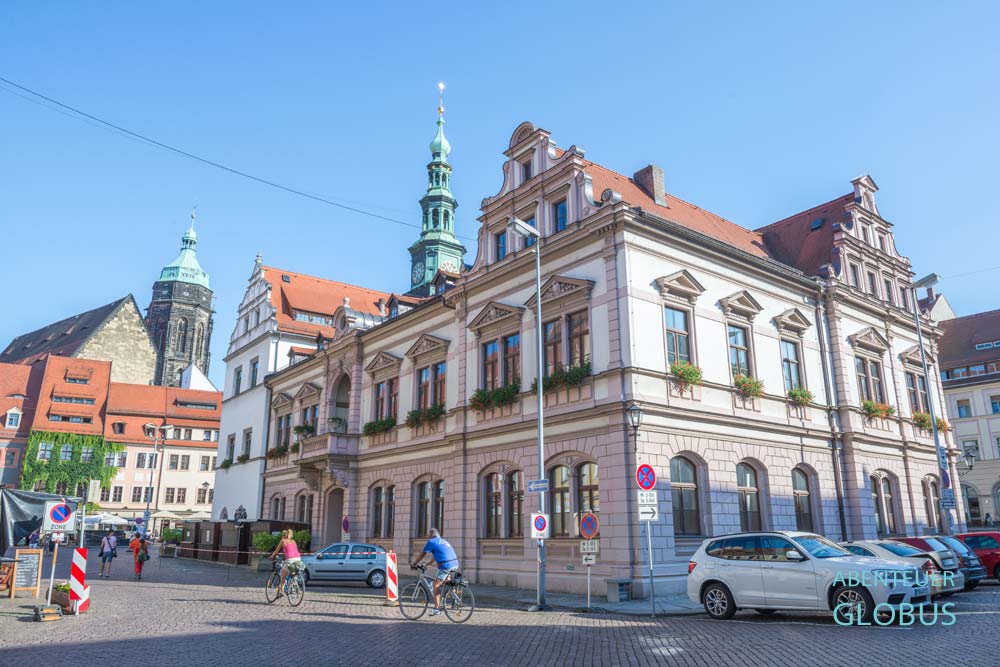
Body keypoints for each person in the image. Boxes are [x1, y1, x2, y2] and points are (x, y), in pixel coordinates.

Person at [411, 528, 459, 617]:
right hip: (454, 563)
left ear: (432, 535)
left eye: (428, 535)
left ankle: (436, 609)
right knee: (446, 582)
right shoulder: (443, 541)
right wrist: (429, 564)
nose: (428, 537)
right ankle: (454, 598)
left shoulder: (432, 541)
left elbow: (423, 554)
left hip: (446, 565)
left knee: (436, 585)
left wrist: (414, 563)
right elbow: (436, 555)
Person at [267, 530, 302, 598]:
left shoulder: (283, 541)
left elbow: (276, 551)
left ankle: (281, 591)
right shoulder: (293, 541)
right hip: (298, 558)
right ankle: (295, 585)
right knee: (293, 572)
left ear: (283, 535)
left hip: (289, 559)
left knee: (283, 575)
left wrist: (271, 556)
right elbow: (292, 550)